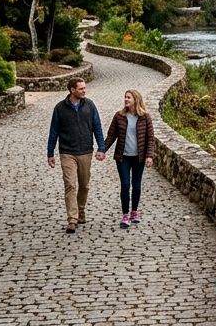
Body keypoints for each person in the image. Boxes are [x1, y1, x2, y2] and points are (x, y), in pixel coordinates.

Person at [46, 78, 105, 233]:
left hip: (85, 151)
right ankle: (72, 219)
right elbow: (54, 131)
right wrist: (50, 153)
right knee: (70, 185)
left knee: (84, 185)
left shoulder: (90, 105)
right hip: (67, 152)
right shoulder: (59, 108)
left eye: (85, 88)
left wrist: (101, 147)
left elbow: (97, 127)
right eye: (81, 89)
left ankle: (81, 210)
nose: (84, 91)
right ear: (72, 90)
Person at [102, 89, 156, 229]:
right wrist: (102, 150)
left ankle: (134, 212)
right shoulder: (119, 116)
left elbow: (150, 138)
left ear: (136, 100)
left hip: (139, 158)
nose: (126, 100)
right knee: (125, 184)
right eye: (125, 97)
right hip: (123, 157)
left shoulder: (145, 117)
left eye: (129, 98)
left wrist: (149, 156)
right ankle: (125, 215)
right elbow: (111, 136)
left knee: (136, 185)